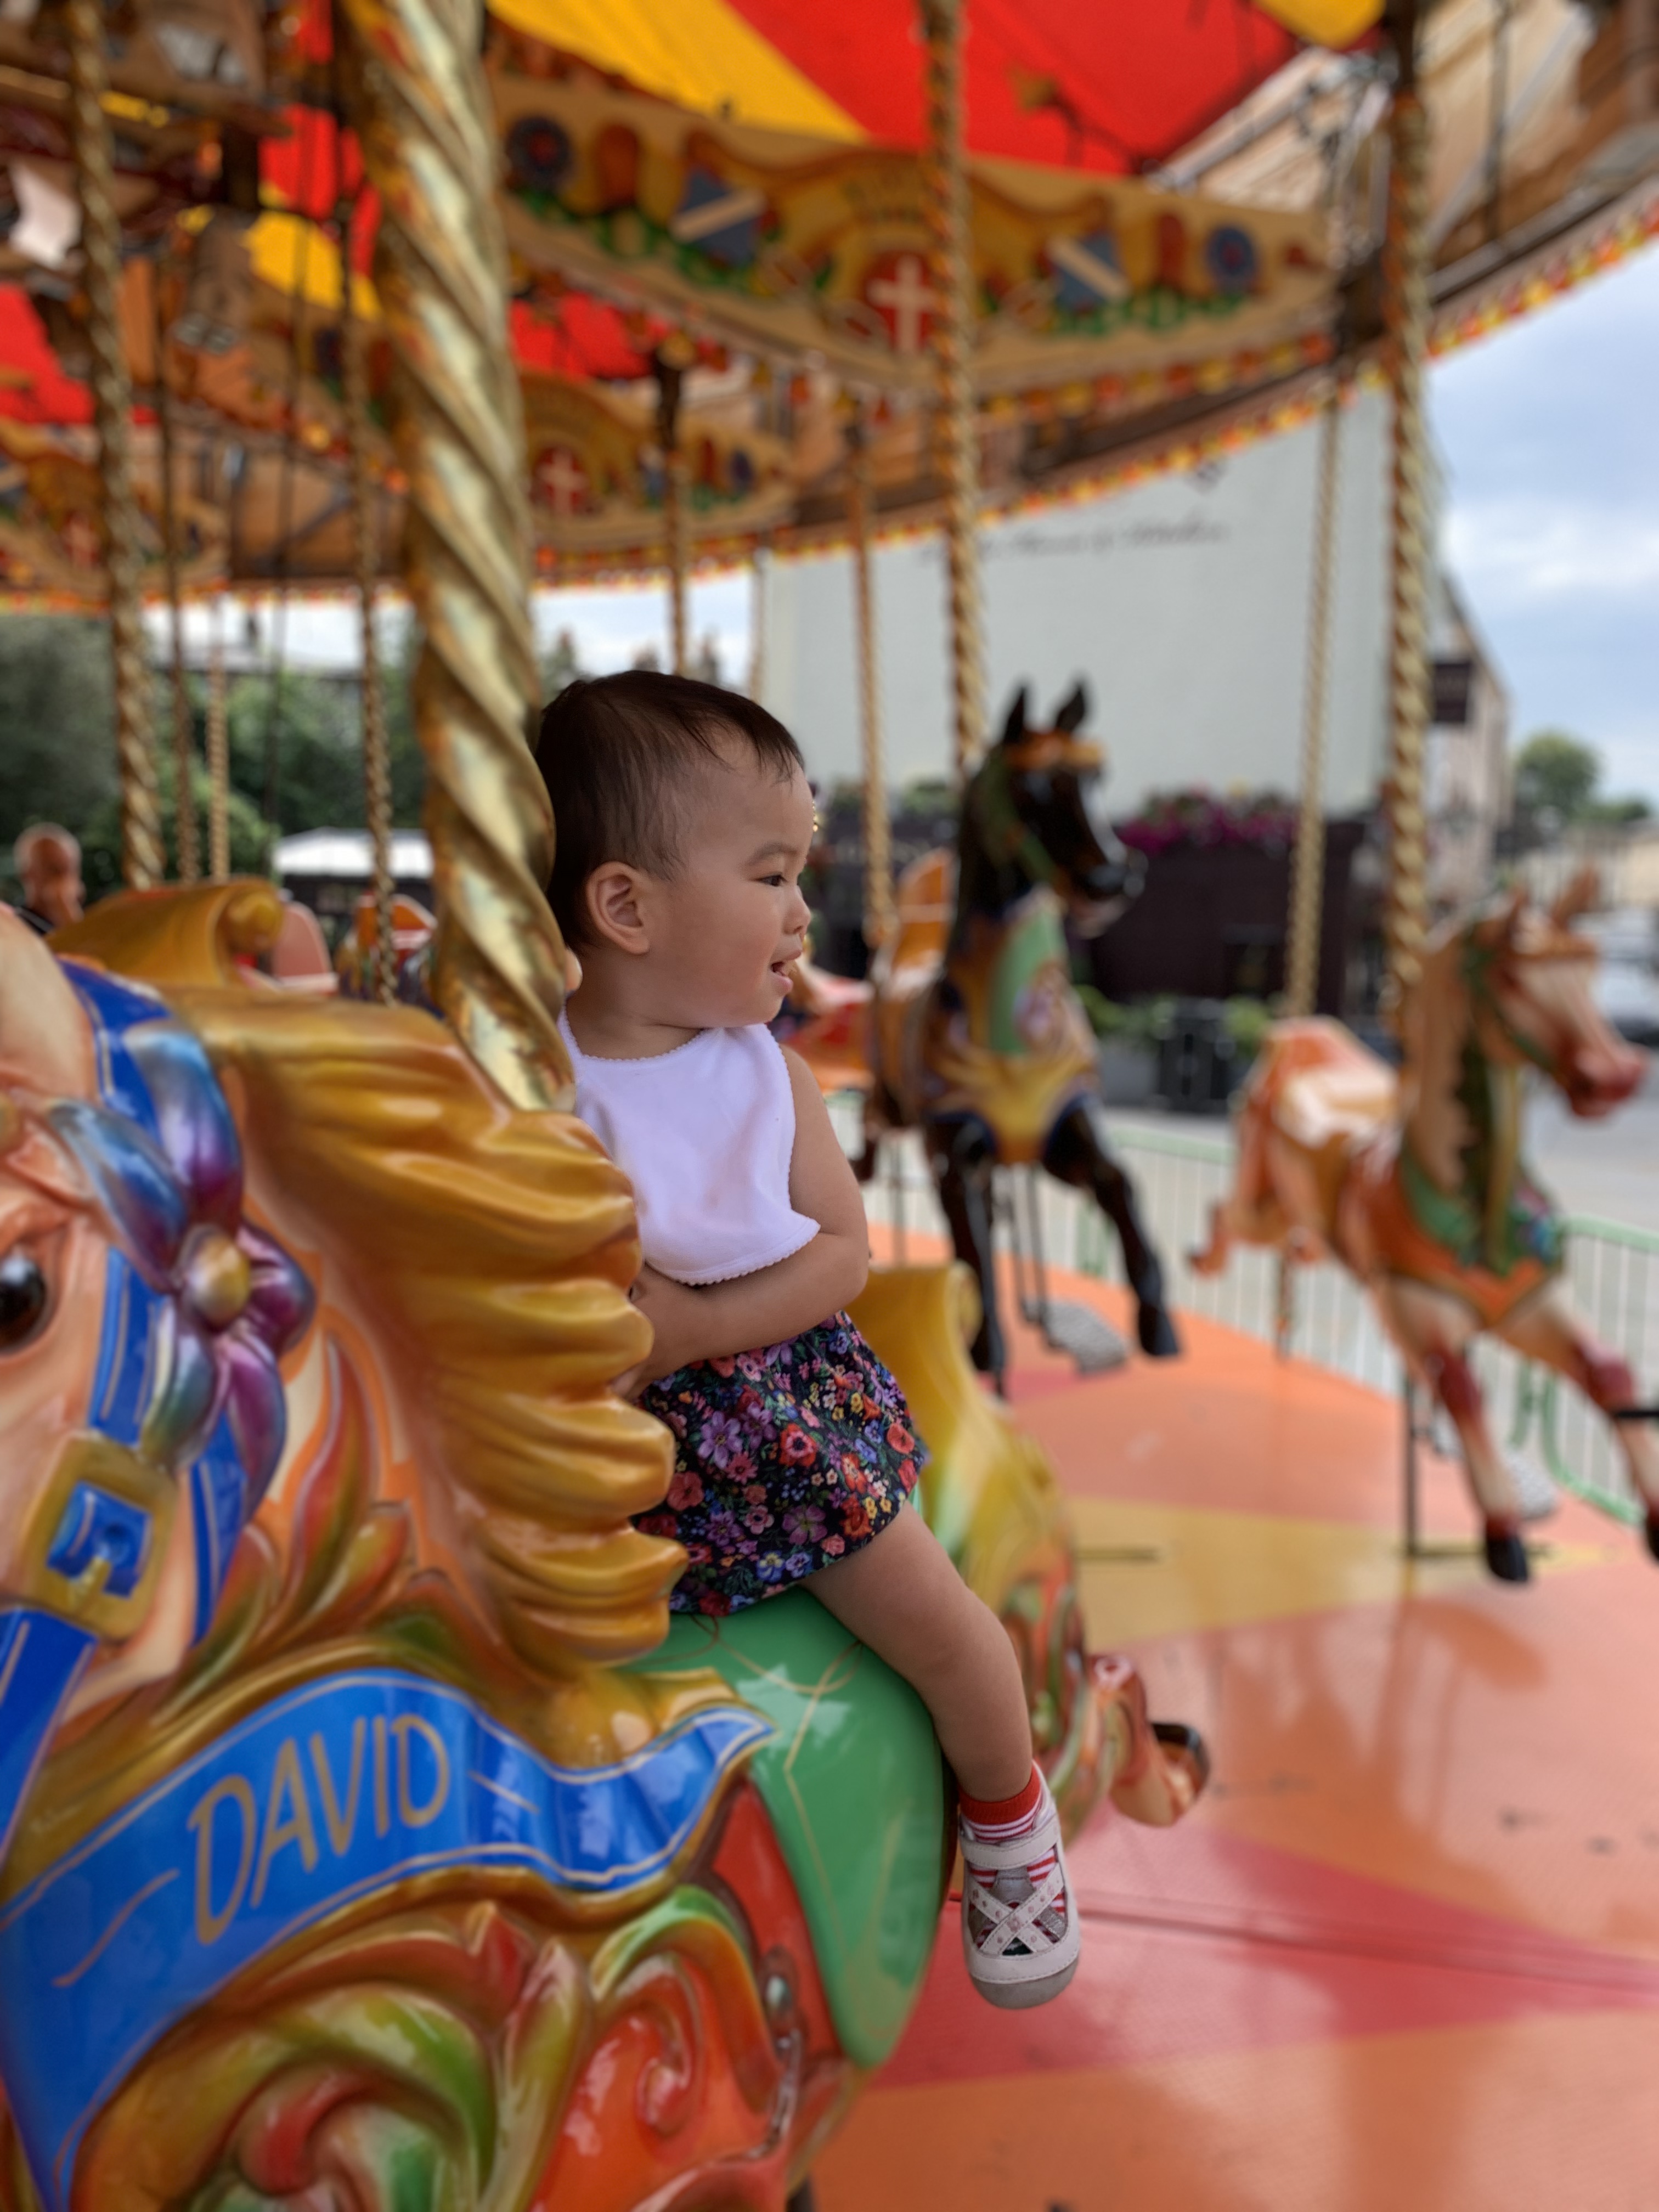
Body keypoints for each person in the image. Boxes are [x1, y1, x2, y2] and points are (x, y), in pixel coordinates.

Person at [535, 670, 1078, 2010]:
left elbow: (843, 1256)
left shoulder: (764, 1075)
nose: (801, 913)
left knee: (947, 1633)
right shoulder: (533, 1071)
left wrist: (698, 1324)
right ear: (626, 908)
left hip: (770, 1411)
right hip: (598, 1436)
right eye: (772, 875)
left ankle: (1013, 1827)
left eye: (800, 873)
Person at [12, 823, 84, 934]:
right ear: (26, 875)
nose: (64, 879)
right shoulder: (16, 929)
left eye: (70, 869)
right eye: (54, 870)